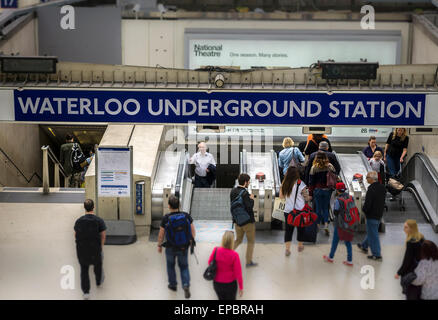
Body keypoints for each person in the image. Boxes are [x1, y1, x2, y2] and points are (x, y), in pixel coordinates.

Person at [157, 195, 196, 299]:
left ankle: (173, 285)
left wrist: (159, 245)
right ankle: (186, 285)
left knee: (170, 265)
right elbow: (193, 231)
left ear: (169, 206)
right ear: (179, 205)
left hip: (170, 247)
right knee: (184, 266)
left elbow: (161, 234)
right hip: (183, 246)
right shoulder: (186, 216)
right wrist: (190, 241)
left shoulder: (166, 218)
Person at [74, 199, 106, 300]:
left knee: (84, 270)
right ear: (93, 207)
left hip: (82, 250)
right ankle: (98, 281)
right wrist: (101, 247)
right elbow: (103, 236)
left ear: (84, 207)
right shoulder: (99, 221)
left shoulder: (79, 221)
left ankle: (86, 292)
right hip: (95, 249)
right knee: (98, 265)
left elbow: (75, 235)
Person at [280, 166, 310, 255]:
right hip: (300, 210)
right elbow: (306, 198)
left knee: (288, 230)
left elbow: (281, 197)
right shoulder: (301, 184)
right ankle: (300, 246)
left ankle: (287, 249)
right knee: (301, 228)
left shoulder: (284, 183)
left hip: (288, 210)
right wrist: (309, 197)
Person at [323, 182, 355, 266]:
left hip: (340, 224)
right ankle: (349, 260)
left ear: (337, 190)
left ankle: (331, 257)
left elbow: (335, 212)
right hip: (349, 222)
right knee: (347, 242)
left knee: (335, 240)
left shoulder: (338, 200)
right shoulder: (351, 197)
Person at [357, 171, 386, 261]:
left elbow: (368, 203)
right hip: (379, 214)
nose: (366, 179)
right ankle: (364, 246)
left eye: (367, 177)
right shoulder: (382, 188)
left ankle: (377, 255)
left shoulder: (371, 189)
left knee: (374, 235)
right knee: (372, 232)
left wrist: (364, 211)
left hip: (371, 215)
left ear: (371, 179)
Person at [230, 173, 257, 267]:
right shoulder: (245, 193)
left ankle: (227, 255)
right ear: (245, 182)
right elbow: (249, 207)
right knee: (251, 241)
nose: (249, 183)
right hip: (248, 222)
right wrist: (252, 199)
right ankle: (248, 262)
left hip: (237, 221)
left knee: (238, 240)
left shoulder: (233, 191)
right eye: (248, 181)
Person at [208, 231, 243, 300]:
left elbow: (210, 262)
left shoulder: (216, 250)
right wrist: (241, 287)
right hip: (230, 284)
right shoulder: (234, 255)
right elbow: (238, 273)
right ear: (232, 242)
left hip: (217, 283)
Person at [395, 219, 424, 300]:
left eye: (406, 227)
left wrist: (399, 272)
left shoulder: (411, 242)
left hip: (413, 273)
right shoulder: (420, 237)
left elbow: (407, 260)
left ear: (411, 229)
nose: (404, 229)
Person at [308, 151, 336, 236]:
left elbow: (311, 182)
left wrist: (310, 193)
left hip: (318, 190)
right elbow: (335, 176)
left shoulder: (314, 167)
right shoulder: (330, 166)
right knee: (325, 208)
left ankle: (317, 225)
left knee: (318, 209)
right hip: (328, 190)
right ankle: (326, 225)